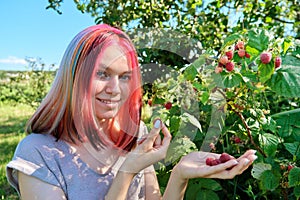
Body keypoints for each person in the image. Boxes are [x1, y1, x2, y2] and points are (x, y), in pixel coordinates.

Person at [6, 24, 257, 200]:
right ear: (74, 78)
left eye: (125, 77)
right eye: (102, 74)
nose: (115, 89)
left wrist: (180, 175)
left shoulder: (136, 135)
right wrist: (127, 172)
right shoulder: (38, 153)